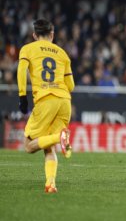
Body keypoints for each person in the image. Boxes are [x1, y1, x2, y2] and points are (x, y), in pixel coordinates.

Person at [17, 19, 74, 193]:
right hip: (64, 100)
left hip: (45, 99)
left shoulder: (28, 49)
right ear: (52, 34)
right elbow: (71, 85)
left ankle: (60, 137)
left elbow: (21, 71)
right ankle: (50, 183)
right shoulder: (62, 53)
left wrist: (22, 96)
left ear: (34, 35)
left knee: (28, 146)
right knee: (47, 146)